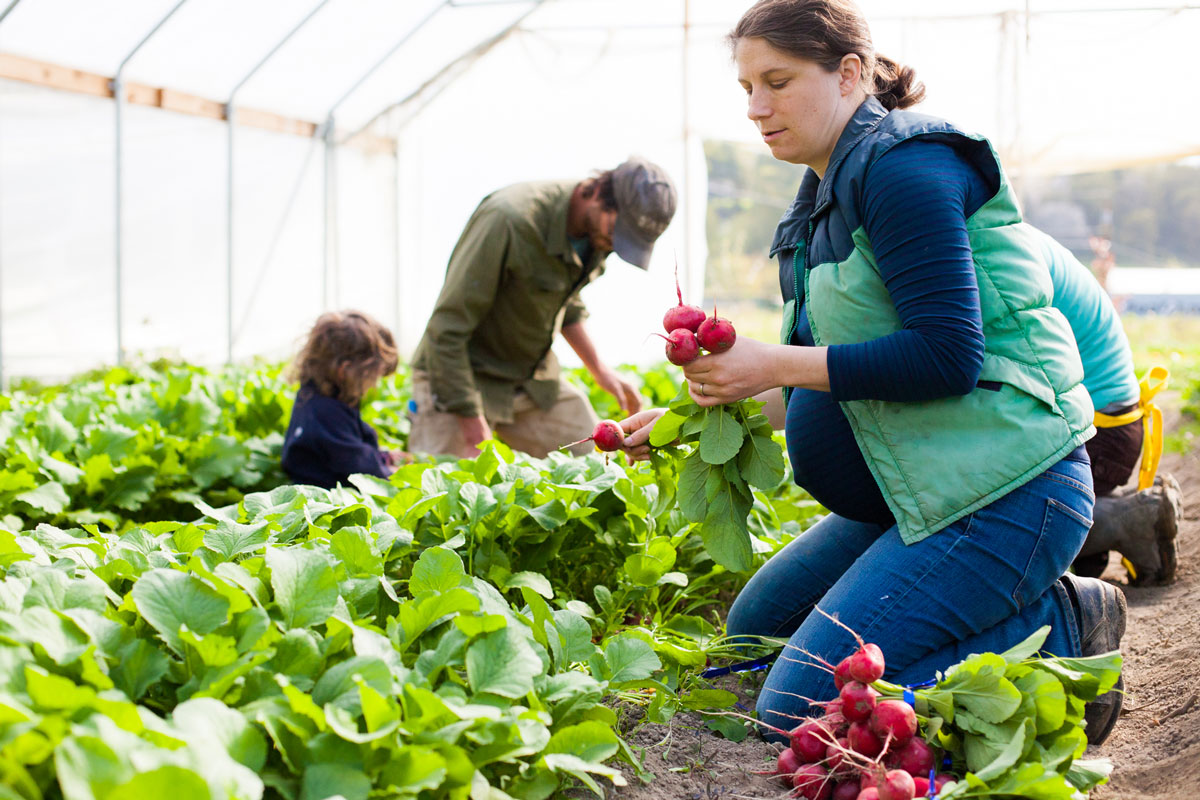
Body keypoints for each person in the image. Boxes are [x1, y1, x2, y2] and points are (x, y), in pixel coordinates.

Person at [620, 0, 1125, 746]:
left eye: (778, 81)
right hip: (914, 488)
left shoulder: (907, 169)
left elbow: (947, 357)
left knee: (793, 711)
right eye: (746, 87)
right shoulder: (823, 194)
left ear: (850, 73)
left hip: (1004, 490)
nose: (757, 108)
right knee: (750, 641)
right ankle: (985, 614)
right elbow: (833, 376)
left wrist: (771, 361)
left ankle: (1065, 622)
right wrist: (689, 418)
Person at [408, 157, 677, 459]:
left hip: (528, 378)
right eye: (619, 232)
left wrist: (600, 371)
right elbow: (446, 329)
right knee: (448, 485)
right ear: (600, 194)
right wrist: (473, 429)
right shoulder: (510, 219)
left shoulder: (597, 236)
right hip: (460, 377)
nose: (616, 244)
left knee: (594, 461)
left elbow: (566, 302)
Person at [1035, 231, 1182, 584]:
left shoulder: (1001, 256)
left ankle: (1127, 518)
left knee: (1007, 513)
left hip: (1099, 429)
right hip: (1108, 421)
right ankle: (1110, 515)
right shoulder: (1015, 240)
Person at [281, 310, 405, 489]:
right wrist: (392, 475)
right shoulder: (325, 411)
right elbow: (358, 466)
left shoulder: (318, 396)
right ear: (345, 370)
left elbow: (351, 446)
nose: (373, 386)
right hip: (327, 502)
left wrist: (384, 457)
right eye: (372, 377)